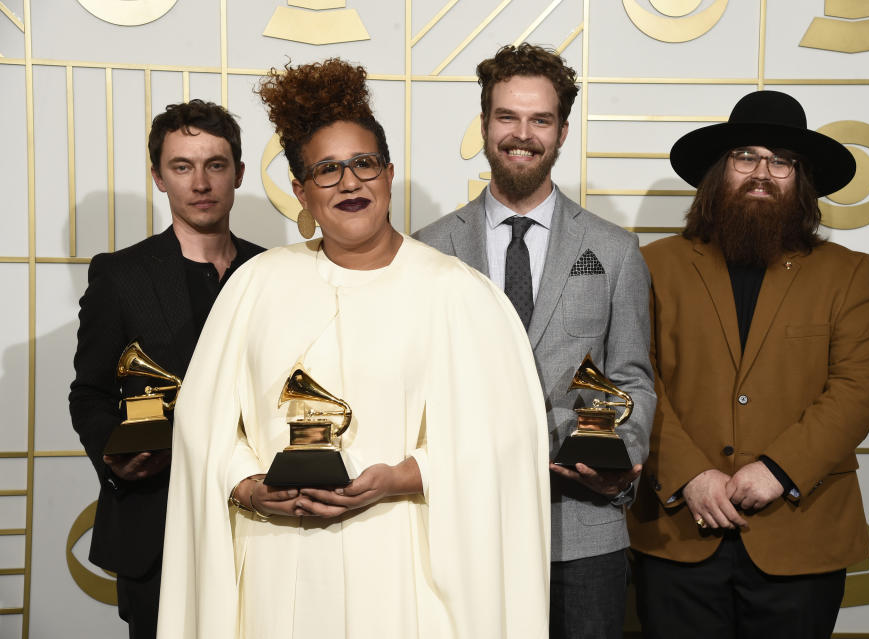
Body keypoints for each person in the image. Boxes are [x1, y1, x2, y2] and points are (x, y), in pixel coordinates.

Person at [155, 59, 551, 639]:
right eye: (326, 169)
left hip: (400, 563)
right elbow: (204, 426)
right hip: (276, 561)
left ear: (389, 173)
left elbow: (504, 445)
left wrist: (401, 476)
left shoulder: (457, 293)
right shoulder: (256, 285)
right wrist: (247, 485)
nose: (349, 182)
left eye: (364, 163)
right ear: (300, 190)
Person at [627, 90, 869, 639]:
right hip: (677, 532)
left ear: (801, 180)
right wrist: (689, 475)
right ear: (720, 172)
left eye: (781, 162)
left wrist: (780, 469)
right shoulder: (651, 265)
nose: (762, 172)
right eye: (746, 156)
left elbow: (858, 386)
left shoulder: (847, 272)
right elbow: (632, 377)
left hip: (802, 534)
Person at [415, 43, 657, 639]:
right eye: (507, 117)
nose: (522, 134)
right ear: (484, 125)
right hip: (462, 526)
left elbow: (632, 378)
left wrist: (621, 456)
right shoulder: (426, 248)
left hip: (581, 527)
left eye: (540, 120)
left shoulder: (615, 250)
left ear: (562, 131)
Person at [69, 99, 264, 639]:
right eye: (182, 166)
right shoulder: (119, 275)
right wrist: (116, 455)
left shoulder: (274, 271)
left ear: (239, 174)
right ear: (159, 177)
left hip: (258, 523)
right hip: (156, 528)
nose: (200, 182)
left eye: (215, 165)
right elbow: (89, 394)